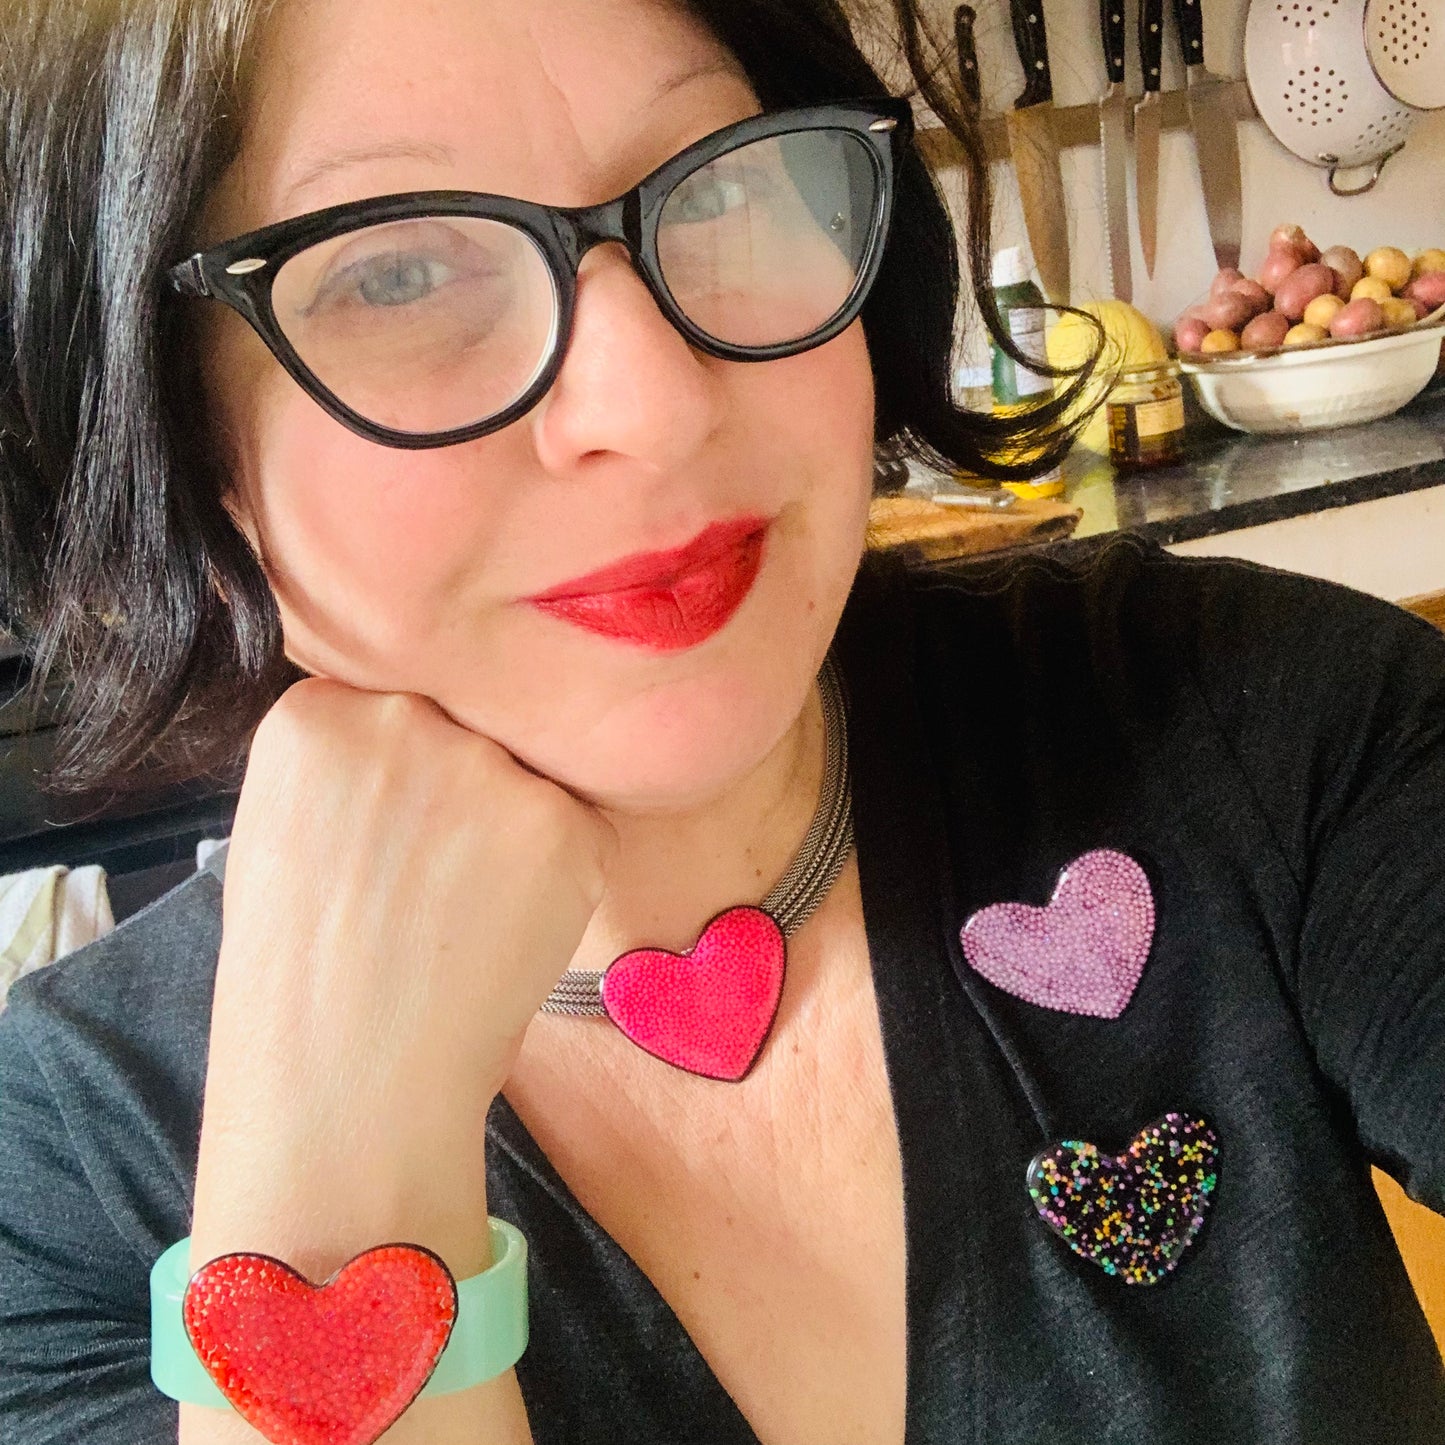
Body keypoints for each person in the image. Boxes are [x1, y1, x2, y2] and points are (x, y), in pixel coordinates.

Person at [2, 0, 1444, 1442]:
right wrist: (334, 1180)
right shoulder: (55, 1181)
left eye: (722, 185)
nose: (656, 401)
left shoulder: (1262, 725)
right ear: (166, 430)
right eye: (396, 276)